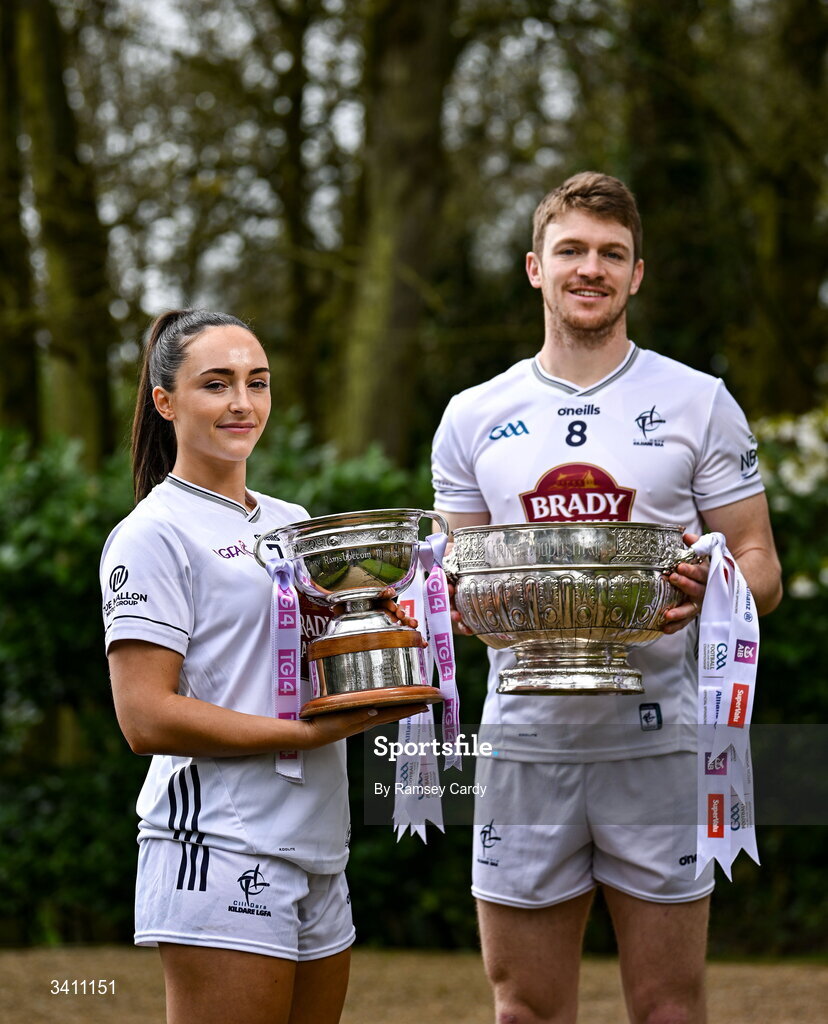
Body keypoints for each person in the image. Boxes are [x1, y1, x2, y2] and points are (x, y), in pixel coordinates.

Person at [431, 172, 782, 1024]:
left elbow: (762, 563)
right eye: (572, 251)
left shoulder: (700, 400)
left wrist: (718, 590)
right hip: (524, 738)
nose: (591, 269)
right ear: (534, 268)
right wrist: (452, 603)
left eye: (611, 254)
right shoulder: (473, 415)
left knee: (667, 1008)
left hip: (661, 740)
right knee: (523, 1009)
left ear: (636, 275)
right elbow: (455, 581)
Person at [100, 309, 425, 1024]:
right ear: (166, 402)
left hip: (317, 841)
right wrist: (301, 737)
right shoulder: (151, 535)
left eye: (258, 382)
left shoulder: (291, 521)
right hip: (218, 841)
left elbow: (303, 670)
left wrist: (381, 644)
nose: (242, 403)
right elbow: (144, 716)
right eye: (216, 384)